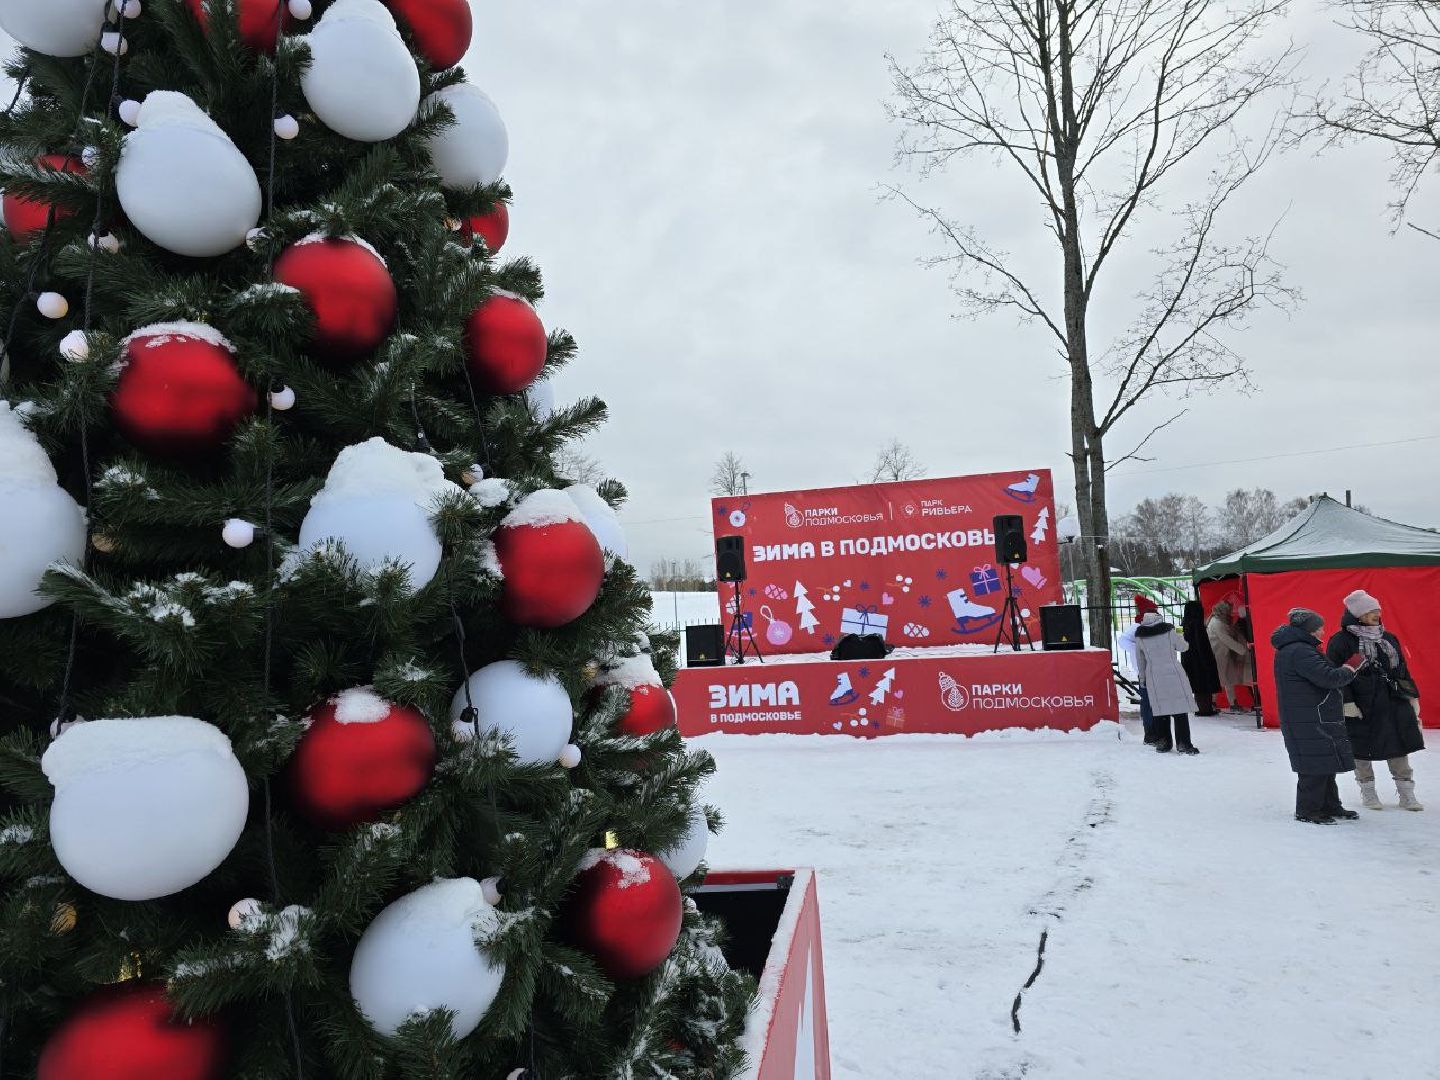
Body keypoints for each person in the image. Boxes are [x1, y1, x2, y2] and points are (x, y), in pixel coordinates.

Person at [1324, 590, 1424, 811]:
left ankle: (1407, 794)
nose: (1377, 614)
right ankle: (1368, 793)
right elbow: (1335, 674)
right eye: (1371, 611)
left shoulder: (1389, 638)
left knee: (1399, 745)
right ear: (1358, 615)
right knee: (1362, 748)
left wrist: (1411, 696)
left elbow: (1402, 670)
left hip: (1393, 700)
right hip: (1361, 703)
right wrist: (1346, 703)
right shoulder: (1340, 641)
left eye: (1378, 610)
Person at [1272, 608, 1364, 824]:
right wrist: (1349, 668)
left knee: (1324, 762)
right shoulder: (1300, 651)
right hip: (1308, 716)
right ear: (1309, 630)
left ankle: (1330, 806)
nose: (1323, 631)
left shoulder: (1297, 648)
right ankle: (1308, 810)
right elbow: (1327, 678)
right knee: (1313, 766)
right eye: (1319, 627)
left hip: (1310, 714)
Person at [1134, 611, 1200, 753]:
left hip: (1153, 674)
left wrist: (1143, 678)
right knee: (1179, 709)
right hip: (1173, 672)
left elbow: (1141, 661)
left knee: (1159, 709)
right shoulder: (1169, 630)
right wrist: (1180, 635)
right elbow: (1183, 647)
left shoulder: (1140, 636)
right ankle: (1183, 744)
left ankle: (1163, 742)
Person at [1119, 596, 1161, 743]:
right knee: (1148, 702)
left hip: (1153, 669)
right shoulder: (1137, 627)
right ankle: (1150, 733)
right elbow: (1123, 640)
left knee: (1152, 702)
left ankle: (1154, 731)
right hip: (1144, 670)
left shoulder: (1147, 626)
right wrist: (1137, 650)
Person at [1207, 601, 1251, 712]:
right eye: (1229, 610)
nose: (1231, 613)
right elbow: (1226, 639)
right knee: (1220, 680)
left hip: (1222, 654)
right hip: (1218, 654)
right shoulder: (1217, 623)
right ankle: (1213, 702)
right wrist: (1242, 650)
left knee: (1227, 679)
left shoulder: (1217, 620)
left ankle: (1232, 702)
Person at [1181, 599, 1222, 717]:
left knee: (1197, 685)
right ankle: (1205, 709)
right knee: (1204, 685)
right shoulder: (1197, 625)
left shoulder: (1185, 623)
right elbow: (1201, 644)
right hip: (1199, 660)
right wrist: (1207, 661)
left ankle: (1202, 707)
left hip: (1189, 658)